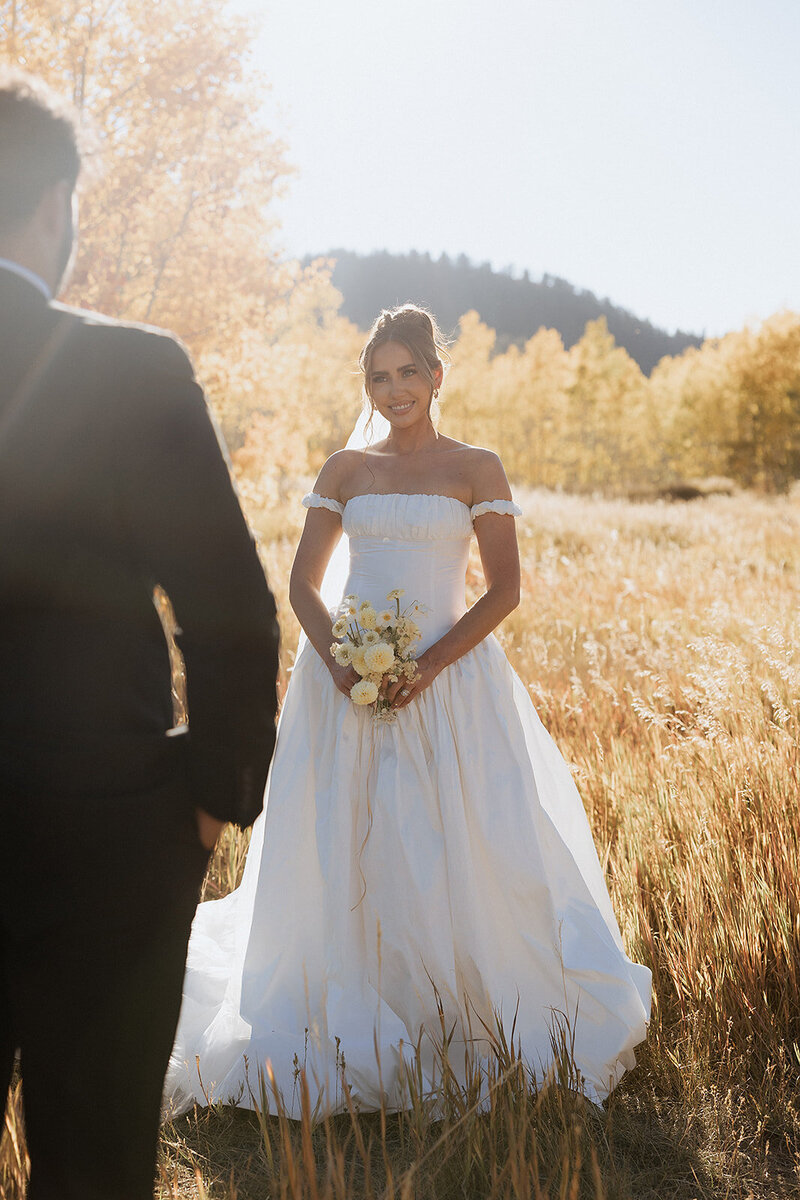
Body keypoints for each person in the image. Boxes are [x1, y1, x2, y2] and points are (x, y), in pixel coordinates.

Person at [164, 303, 650, 1120]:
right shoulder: (345, 472)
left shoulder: (477, 468)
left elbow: (504, 591)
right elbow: (301, 587)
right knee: (345, 838)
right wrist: (343, 664)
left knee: (462, 838)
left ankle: (455, 1010)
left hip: (451, 684)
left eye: (407, 373)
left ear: (436, 375)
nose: (394, 390)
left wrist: (422, 667)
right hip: (341, 688)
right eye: (379, 377)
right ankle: (343, 996)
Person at [0, 70, 280, 1199]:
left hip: (108, 843)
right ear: (58, 204)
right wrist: (211, 804)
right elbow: (230, 609)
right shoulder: (130, 369)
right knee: (98, 1162)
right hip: (108, 846)